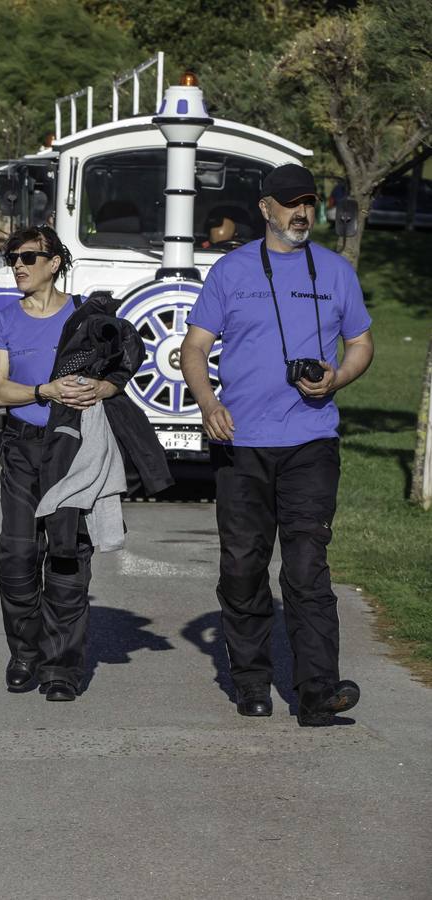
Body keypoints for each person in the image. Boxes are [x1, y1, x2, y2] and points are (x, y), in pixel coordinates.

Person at [182, 163, 374, 727]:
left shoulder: (336, 271)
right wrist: (209, 403)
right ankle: (251, 680)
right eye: (291, 203)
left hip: (310, 440)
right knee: (243, 566)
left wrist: (337, 379)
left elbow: (360, 342)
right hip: (241, 441)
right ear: (265, 208)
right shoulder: (231, 270)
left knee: (308, 567)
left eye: (309, 203)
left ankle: (317, 692)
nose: (302, 213)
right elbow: (195, 349)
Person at [0, 225, 152, 701]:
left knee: (67, 555)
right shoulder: (4, 319)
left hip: (74, 445)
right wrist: (45, 390)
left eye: (29, 257)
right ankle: (25, 652)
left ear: (54, 262)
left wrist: (105, 388)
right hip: (21, 445)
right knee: (17, 556)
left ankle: (62, 668)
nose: (18, 265)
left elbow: (126, 359)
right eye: (12, 257)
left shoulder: (86, 315)